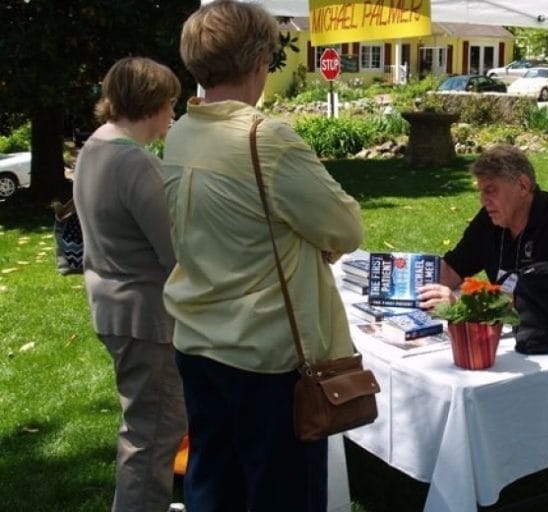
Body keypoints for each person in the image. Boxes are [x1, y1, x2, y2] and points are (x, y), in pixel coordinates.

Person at [161, 1, 364, 510]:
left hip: (198, 342)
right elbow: (346, 226)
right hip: (264, 357)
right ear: (259, 62)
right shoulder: (264, 138)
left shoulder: (183, 130)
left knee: (213, 484)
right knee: (282, 496)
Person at [73, 56, 186, 512]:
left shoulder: (94, 147)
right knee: (153, 435)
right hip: (146, 316)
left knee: (144, 427)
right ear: (152, 104)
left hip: (113, 305)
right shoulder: (134, 163)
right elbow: (177, 251)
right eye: (170, 104)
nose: (172, 116)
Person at [419, 143, 548, 333]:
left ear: (522, 186)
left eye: (490, 190)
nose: (483, 200)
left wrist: (461, 304)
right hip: (520, 334)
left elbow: (536, 300)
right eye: (481, 192)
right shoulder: (490, 220)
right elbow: (452, 268)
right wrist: (410, 289)